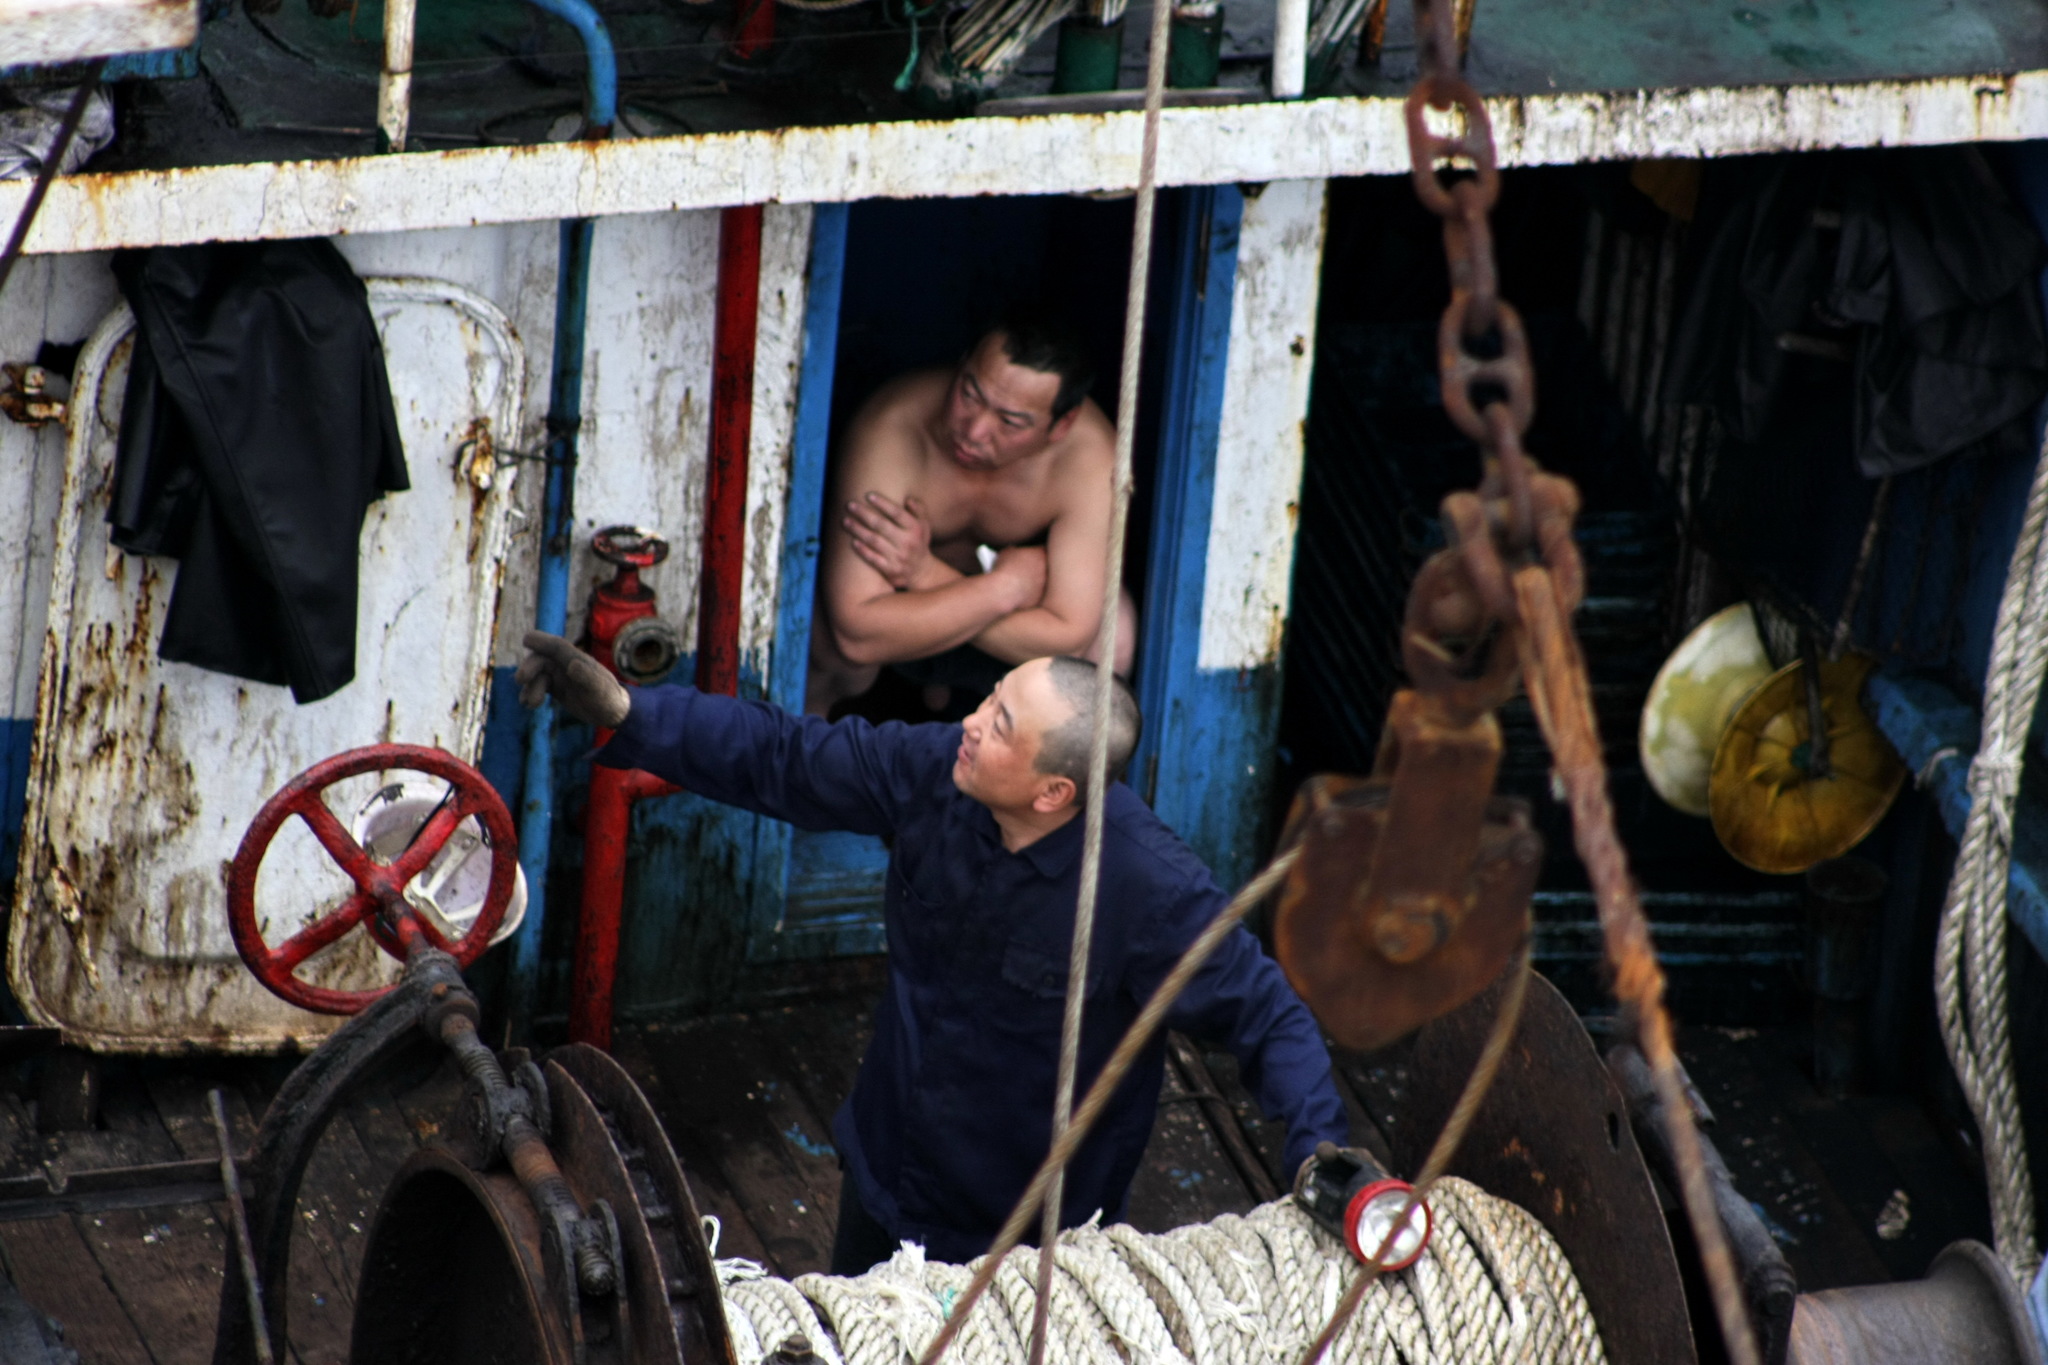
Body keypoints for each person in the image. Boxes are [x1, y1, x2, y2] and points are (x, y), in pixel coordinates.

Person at [517, 633, 1349, 1271]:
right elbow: (789, 756)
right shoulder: (935, 772)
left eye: (1000, 725)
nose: (970, 724)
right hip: (888, 1173)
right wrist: (633, 711)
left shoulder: (1149, 890)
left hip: (1027, 1240)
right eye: (988, 699)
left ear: (1053, 791)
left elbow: (1267, 1015)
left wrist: (1316, 1147)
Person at [807, 311, 1137, 717]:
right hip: (911, 626)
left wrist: (928, 573)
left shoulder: (1090, 459)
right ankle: (798, 765)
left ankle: (1049, 779)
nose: (975, 430)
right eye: (970, 394)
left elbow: (1067, 639)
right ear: (961, 364)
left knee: (1114, 635)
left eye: (1011, 422)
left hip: (998, 636)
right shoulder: (893, 427)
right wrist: (1006, 588)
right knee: (821, 638)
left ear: (1060, 426)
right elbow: (856, 631)